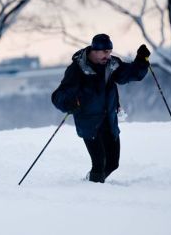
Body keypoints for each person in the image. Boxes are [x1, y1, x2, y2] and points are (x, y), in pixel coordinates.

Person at [51, 34, 151, 183]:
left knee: (113, 163)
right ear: (94, 50)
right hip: (89, 123)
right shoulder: (77, 69)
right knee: (99, 164)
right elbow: (58, 95)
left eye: (110, 51)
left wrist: (142, 60)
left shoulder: (112, 65)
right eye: (105, 52)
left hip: (109, 121)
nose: (108, 55)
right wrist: (68, 103)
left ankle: (90, 183)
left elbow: (130, 74)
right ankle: (96, 194)